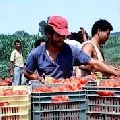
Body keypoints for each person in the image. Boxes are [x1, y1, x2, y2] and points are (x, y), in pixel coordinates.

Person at [24, 16, 120, 83]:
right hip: (46, 96)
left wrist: (115, 73)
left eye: (64, 36)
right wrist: (38, 78)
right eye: (59, 35)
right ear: (48, 33)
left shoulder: (71, 50)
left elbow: (94, 63)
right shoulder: (36, 53)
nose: (62, 39)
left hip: (67, 96)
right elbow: (27, 73)